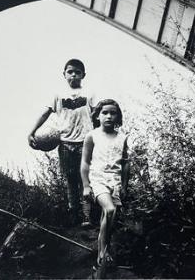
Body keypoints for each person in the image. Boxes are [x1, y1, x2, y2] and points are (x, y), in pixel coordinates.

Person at [28, 59, 95, 226]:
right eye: (70, 72)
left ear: (83, 75)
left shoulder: (90, 93)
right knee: (70, 180)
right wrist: (31, 132)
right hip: (65, 143)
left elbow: (98, 115)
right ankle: (74, 214)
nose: (73, 75)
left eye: (77, 72)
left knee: (85, 180)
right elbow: (45, 114)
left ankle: (88, 216)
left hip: (85, 143)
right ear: (64, 74)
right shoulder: (57, 95)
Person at [81, 99, 130, 268]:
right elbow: (85, 163)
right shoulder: (92, 136)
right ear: (98, 116)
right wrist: (86, 185)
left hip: (115, 182)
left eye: (113, 113)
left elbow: (125, 163)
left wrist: (124, 185)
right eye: (105, 112)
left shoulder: (122, 138)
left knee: (109, 217)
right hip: (98, 179)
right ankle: (102, 251)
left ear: (118, 116)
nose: (109, 116)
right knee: (109, 210)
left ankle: (104, 250)